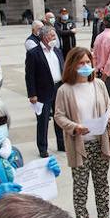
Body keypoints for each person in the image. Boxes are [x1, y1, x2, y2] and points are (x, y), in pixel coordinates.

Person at [54, 47, 110, 218]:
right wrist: (75, 127)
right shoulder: (64, 90)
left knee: (102, 183)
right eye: (80, 63)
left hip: (100, 142)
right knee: (80, 187)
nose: (85, 66)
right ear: (72, 65)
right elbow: (58, 115)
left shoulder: (98, 84)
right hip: (79, 145)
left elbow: (109, 107)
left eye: (88, 62)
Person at [25, 23, 67, 156]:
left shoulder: (57, 51)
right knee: (43, 121)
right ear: (45, 37)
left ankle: (61, 143)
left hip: (58, 87)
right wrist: (32, 94)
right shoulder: (34, 53)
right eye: (53, 35)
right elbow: (29, 75)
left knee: (59, 118)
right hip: (43, 91)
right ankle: (42, 148)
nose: (55, 38)